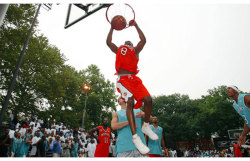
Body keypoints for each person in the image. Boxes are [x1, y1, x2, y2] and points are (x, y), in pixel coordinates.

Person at [106, 20, 158, 154]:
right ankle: (135, 137)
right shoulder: (119, 50)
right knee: (130, 102)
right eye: (126, 42)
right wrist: (112, 28)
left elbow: (143, 40)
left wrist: (136, 25)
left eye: (130, 43)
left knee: (148, 100)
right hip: (123, 79)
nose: (127, 43)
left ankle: (146, 126)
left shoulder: (135, 51)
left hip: (134, 80)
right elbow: (109, 43)